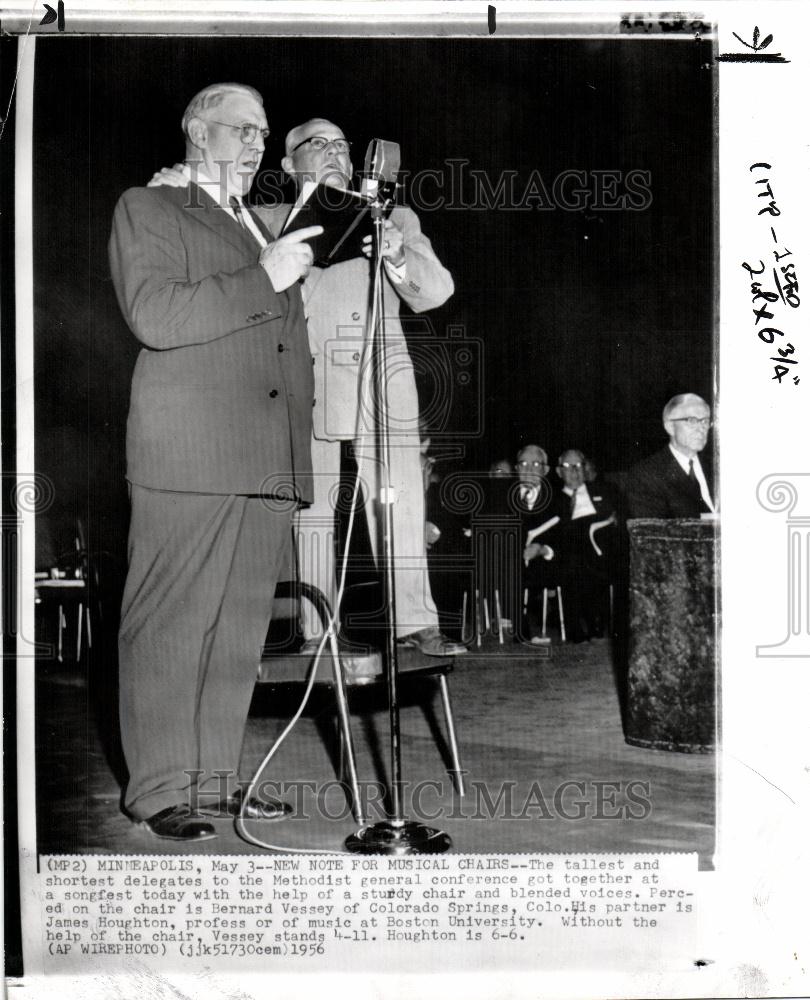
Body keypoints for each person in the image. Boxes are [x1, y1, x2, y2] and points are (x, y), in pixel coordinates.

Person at [148, 117, 464, 656]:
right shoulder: (262, 220)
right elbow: (197, 236)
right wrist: (174, 189)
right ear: (288, 164)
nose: (335, 152)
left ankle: (415, 622)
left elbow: (436, 291)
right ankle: (319, 635)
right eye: (317, 144)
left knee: (402, 500)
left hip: (378, 379)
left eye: (342, 144)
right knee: (310, 511)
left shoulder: (394, 216)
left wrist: (393, 254)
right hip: (301, 379)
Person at [109, 83, 322, 841]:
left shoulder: (257, 221)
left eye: (265, 131)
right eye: (243, 128)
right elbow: (158, 316)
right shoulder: (151, 206)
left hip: (265, 460)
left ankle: (217, 780)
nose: (258, 142)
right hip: (189, 454)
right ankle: (160, 788)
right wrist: (263, 276)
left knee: (236, 632)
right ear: (198, 132)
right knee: (170, 624)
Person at [544, 449, 619, 642]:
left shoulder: (604, 491)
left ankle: (594, 620)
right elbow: (554, 532)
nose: (574, 472)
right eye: (568, 467)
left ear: (585, 469)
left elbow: (615, 518)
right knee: (574, 557)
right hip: (570, 553)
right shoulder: (552, 500)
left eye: (578, 466)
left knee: (587, 556)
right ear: (559, 472)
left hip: (602, 548)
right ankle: (580, 625)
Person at [626, 393, 715, 518]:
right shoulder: (646, 476)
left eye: (705, 421)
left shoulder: (717, 467)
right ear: (670, 427)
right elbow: (655, 534)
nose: (701, 429)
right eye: (692, 421)